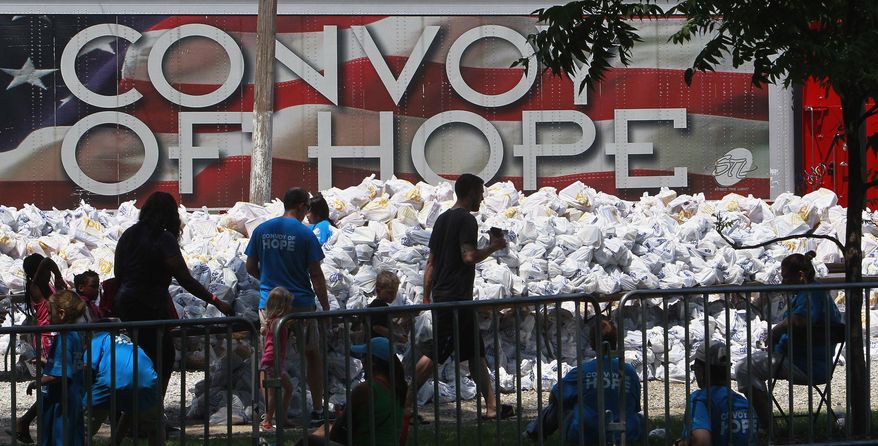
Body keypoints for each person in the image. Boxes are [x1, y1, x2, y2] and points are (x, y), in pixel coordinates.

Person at [405, 173, 511, 421]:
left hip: (451, 298)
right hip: (454, 299)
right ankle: (405, 404)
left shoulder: (442, 219)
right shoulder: (466, 220)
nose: (483, 198)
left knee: (475, 352)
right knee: (435, 354)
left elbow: (431, 262)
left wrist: (427, 295)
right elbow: (469, 256)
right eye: (481, 193)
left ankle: (492, 407)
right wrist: (494, 247)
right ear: (471, 192)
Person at [114, 192, 233, 404]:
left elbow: (118, 272)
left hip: (127, 302)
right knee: (163, 358)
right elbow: (185, 279)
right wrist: (215, 301)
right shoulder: (163, 238)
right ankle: (149, 412)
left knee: (142, 357)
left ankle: (138, 411)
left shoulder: (129, 234)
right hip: (149, 304)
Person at [245, 187, 332, 425]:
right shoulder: (305, 235)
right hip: (301, 305)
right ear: (302, 206)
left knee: (268, 360)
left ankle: (270, 414)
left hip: (270, 306)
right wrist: (325, 308)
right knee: (312, 354)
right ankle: (317, 408)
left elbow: (250, 266)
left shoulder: (262, 230)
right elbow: (316, 274)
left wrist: (268, 282)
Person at [734, 250, 843, 432]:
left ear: (801, 276)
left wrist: (776, 331)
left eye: (786, 277)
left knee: (743, 368)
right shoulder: (815, 292)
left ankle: (768, 425)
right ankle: (765, 420)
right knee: (751, 364)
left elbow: (799, 320)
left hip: (804, 364)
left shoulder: (811, 295)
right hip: (813, 362)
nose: (783, 282)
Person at [525, 320, 642, 445]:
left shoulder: (583, 371)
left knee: (561, 405)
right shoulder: (629, 372)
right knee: (639, 418)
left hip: (587, 435)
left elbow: (555, 395)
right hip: (625, 435)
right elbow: (635, 406)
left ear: (592, 344)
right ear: (616, 342)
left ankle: (534, 432)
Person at [296, 337, 406, 446]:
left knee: (307, 440)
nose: (362, 361)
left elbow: (339, 431)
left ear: (373, 361)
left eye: (364, 356)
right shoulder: (398, 388)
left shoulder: (366, 389)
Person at [8, 254, 68, 444]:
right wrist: (57, 273)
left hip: (54, 337)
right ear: (36, 273)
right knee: (56, 383)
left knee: (57, 386)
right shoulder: (35, 288)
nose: (49, 274)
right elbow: (47, 262)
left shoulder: (45, 288)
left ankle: (26, 422)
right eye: (45, 272)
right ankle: (26, 422)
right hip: (47, 340)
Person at [84, 322, 163, 445]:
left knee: (84, 428)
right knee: (154, 427)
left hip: (110, 381)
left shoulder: (98, 339)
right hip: (148, 382)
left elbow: (88, 368)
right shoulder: (129, 343)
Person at [28, 290, 86, 446]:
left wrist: (39, 381)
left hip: (61, 402)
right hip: (73, 398)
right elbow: (71, 365)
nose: (46, 318)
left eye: (49, 313)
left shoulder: (64, 338)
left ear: (61, 314)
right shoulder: (76, 335)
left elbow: (61, 375)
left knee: (59, 438)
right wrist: (46, 362)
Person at [677, 341, 756, 446]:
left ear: (701, 370)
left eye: (695, 368)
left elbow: (702, 441)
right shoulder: (745, 404)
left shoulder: (700, 400)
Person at [260, 287, 294, 431]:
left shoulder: (274, 321)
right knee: (275, 392)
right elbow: (275, 329)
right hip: (272, 362)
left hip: (276, 363)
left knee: (289, 388)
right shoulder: (277, 323)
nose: (291, 308)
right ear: (282, 306)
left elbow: (265, 331)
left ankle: (282, 417)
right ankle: (267, 420)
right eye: (289, 304)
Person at [366, 271, 407, 344]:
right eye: (389, 292)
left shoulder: (376, 305)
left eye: (395, 292)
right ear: (378, 291)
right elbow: (377, 327)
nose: (393, 296)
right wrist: (397, 337)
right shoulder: (379, 306)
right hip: (378, 346)